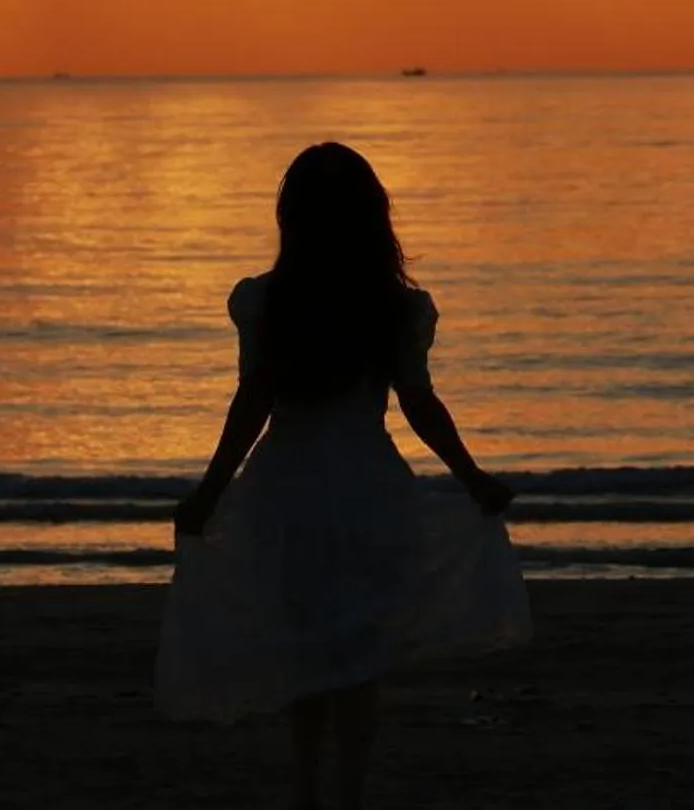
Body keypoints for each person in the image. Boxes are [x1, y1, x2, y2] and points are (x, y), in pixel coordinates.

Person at [158, 142, 530, 809]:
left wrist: (211, 490)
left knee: (309, 645)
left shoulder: (271, 304)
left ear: (291, 220)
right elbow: (418, 402)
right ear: (373, 219)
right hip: (368, 487)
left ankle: (307, 788)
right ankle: (347, 789)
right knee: (359, 652)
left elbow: (253, 404)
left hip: (287, 488)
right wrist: (471, 477)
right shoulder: (390, 309)